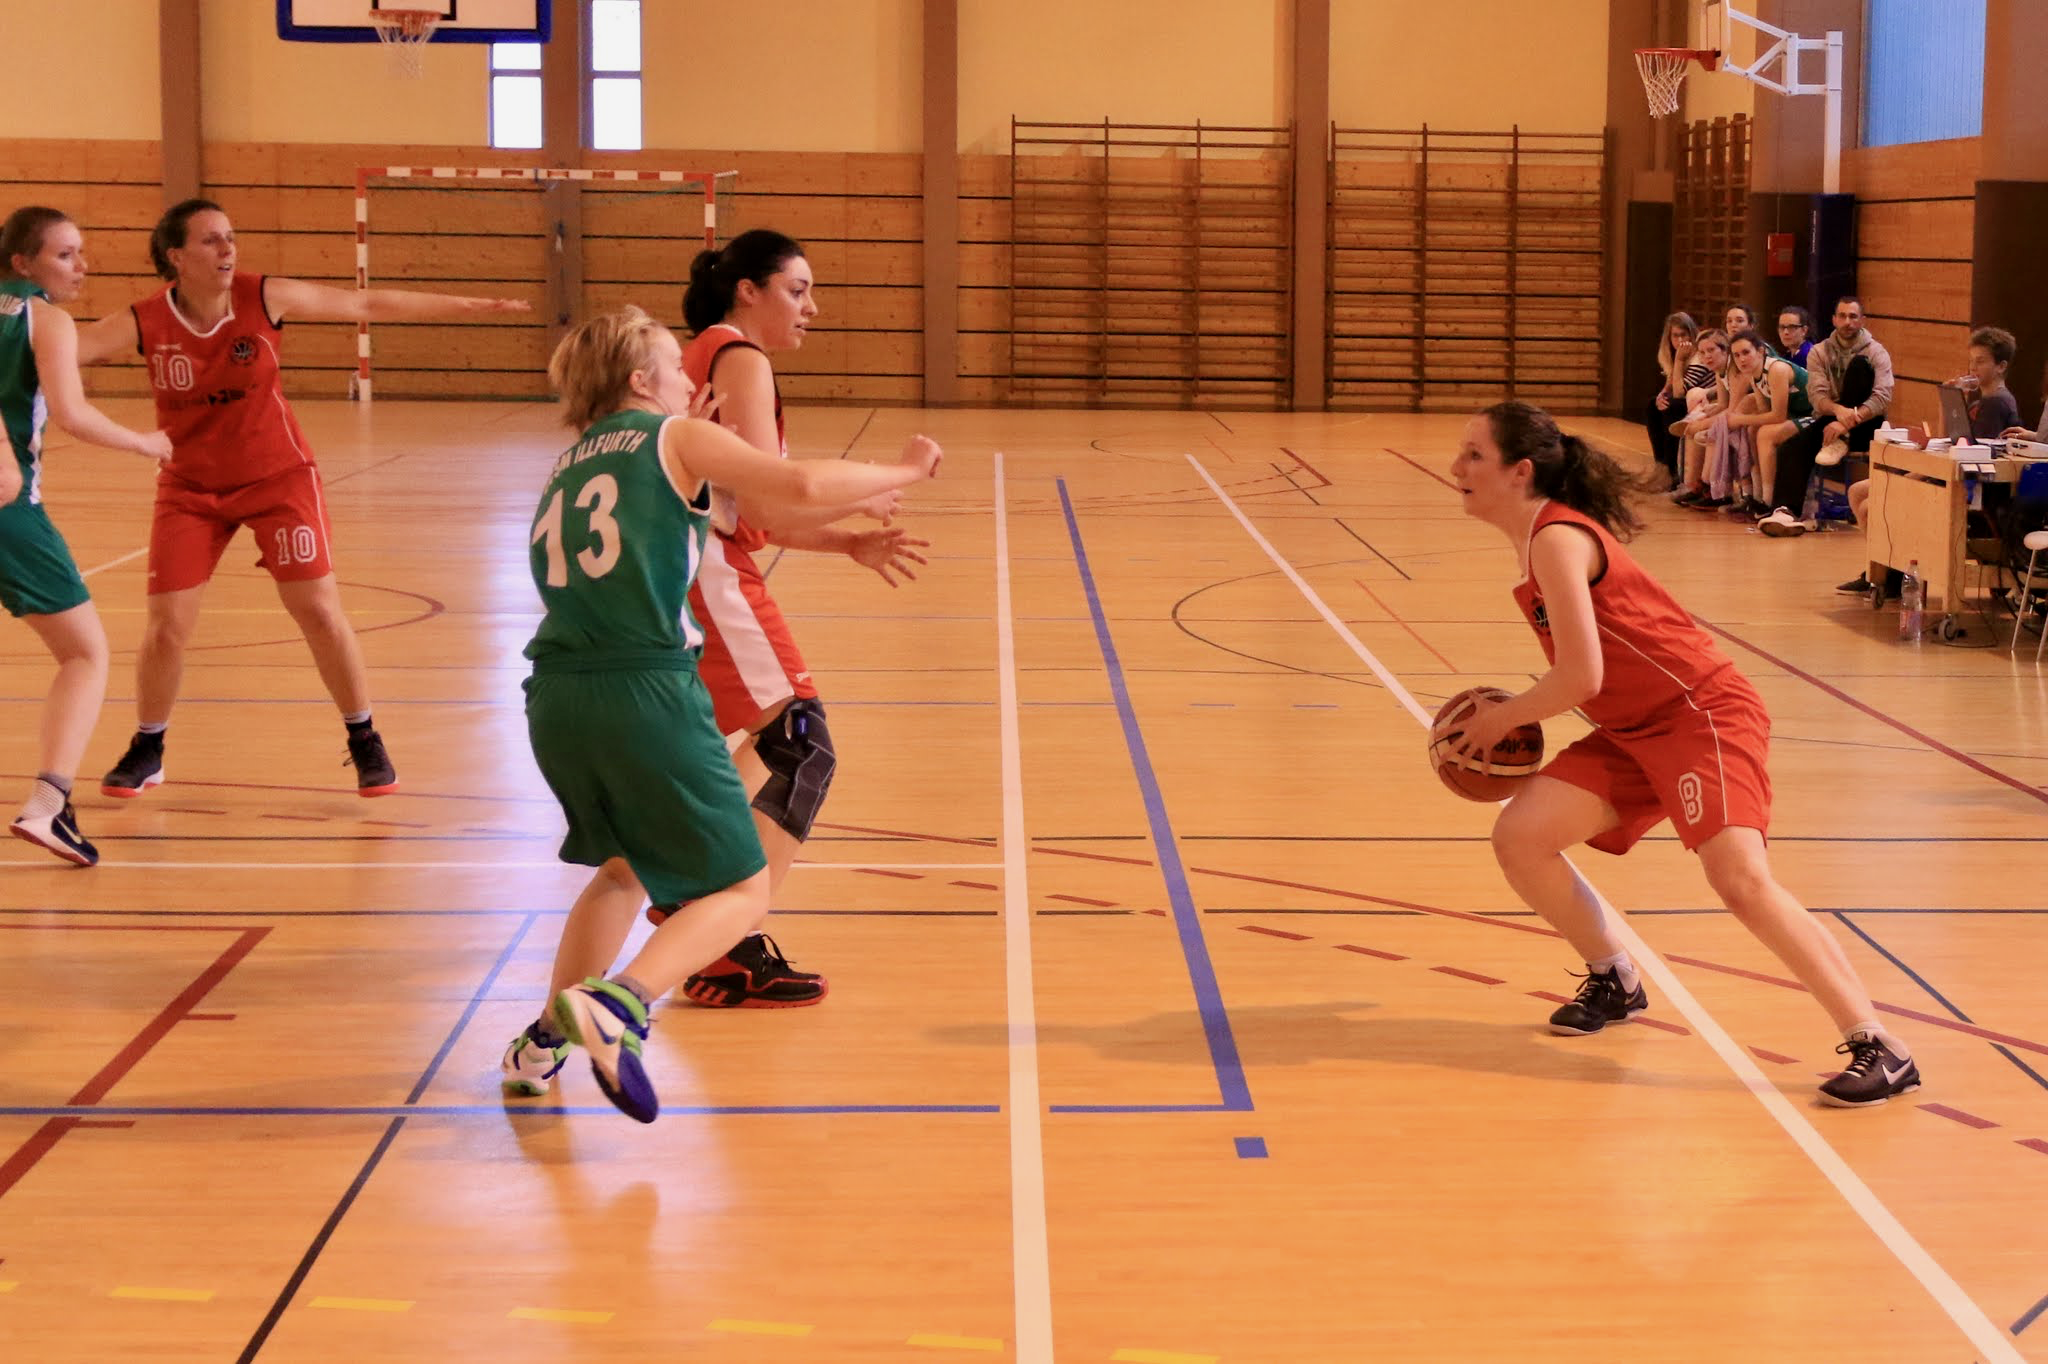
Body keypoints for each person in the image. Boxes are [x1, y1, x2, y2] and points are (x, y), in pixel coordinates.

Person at [498, 305, 940, 1121]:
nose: (688, 380)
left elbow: (714, 524)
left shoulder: (569, 464)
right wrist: (905, 471)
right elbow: (799, 486)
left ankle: (543, 1042)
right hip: (644, 691)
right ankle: (621, 1003)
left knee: (623, 868)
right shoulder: (674, 439)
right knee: (742, 891)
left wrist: (830, 536)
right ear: (641, 380)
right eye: (676, 367)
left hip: (554, 697)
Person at [1444, 400, 1921, 1108]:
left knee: (1741, 881)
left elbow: (1581, 676)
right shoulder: (1537, 542)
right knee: (1521, 836)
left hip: (1700, 715)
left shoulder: (1557, 540)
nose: (1457, 467)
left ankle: (1879, 1044)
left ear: (1519, 472)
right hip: (1634, 730)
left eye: (1474, 455)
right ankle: (1613, 977)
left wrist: (1504, 718)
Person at [77, 198, 529, 798]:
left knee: (317, 609)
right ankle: (149, 746)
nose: (228, 248)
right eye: (211, 240)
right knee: (165, 628)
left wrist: (466, 305)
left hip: (278, 478)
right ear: (175, 256)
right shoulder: (144, 320)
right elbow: (64, 348)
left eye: (230, 237)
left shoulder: (263, 296)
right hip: (189, 487)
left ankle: (364, 737)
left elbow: (365, 304)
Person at [645, 229, 929, 1009]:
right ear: (749, 290)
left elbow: (751, 513)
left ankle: (690, 892)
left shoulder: (708, 353)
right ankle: (720, 938)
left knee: (759, 747)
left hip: (686, 571)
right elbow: (777, 497)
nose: (812, 307)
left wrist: (848, 541)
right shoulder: (739, 356)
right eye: (797, 290)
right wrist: (887, 477)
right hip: (710, 576)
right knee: (801, 744)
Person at [0, 207, 173, 865]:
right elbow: (71, 414)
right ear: (23, 262)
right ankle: (49, 805)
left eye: (81, 252)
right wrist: (145, 442)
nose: (82, 266)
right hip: (11, 513)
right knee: (85, 654)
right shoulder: (44, 319)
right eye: (66, 254)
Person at [1755, 296, 1893, 538]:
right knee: (1791, 446)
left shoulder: (1877, 352)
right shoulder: (1819, 352)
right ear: (1834, 320)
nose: (1847, 322)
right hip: (1831, 420)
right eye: (1842, 316)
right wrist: (1838, 414)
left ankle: (1842, 438)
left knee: (1860, 366)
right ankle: (1785, 511)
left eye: (1853, 316)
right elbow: (1817, 397)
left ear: (1862, 320)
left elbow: (1882, 396)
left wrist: (1847, 422)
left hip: (1867, 423)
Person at [1717, 328, 1809, 518]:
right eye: (1736, 355)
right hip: (1795, 415)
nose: (1741, 359)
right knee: (1753, 430)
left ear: (1760, 351)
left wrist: (1739, 419)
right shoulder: (1753, 373)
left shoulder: (1776, 369)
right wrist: (1743, 421)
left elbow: (1778, 416)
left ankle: (1769, 501)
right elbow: (1764, 412)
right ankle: (1756, 496)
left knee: (1765, 434)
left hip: (1815, 415)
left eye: (1746, 352)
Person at [1644, 312, 1697, 487]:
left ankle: (1672, 471)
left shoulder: (1697, 356)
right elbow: (1671, 384)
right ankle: (1661, 467)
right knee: (1653, 405)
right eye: (1675, 335)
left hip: (1697, 402)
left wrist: (1680, 361)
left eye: (1684, 335)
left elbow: (1680, 392)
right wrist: (1662, 396)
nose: (1680, 340)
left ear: (1691, 334)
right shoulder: (1671, 355)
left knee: (1672, 407)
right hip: (1684, 399)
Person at [1951, 326, 2020, 440]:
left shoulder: (1996, 402)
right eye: (1971, 361)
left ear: (2001, 367)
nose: (1973, 367)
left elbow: (1976, 448)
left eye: (1980, 361)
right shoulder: (1979, 403)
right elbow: (1951, 438)